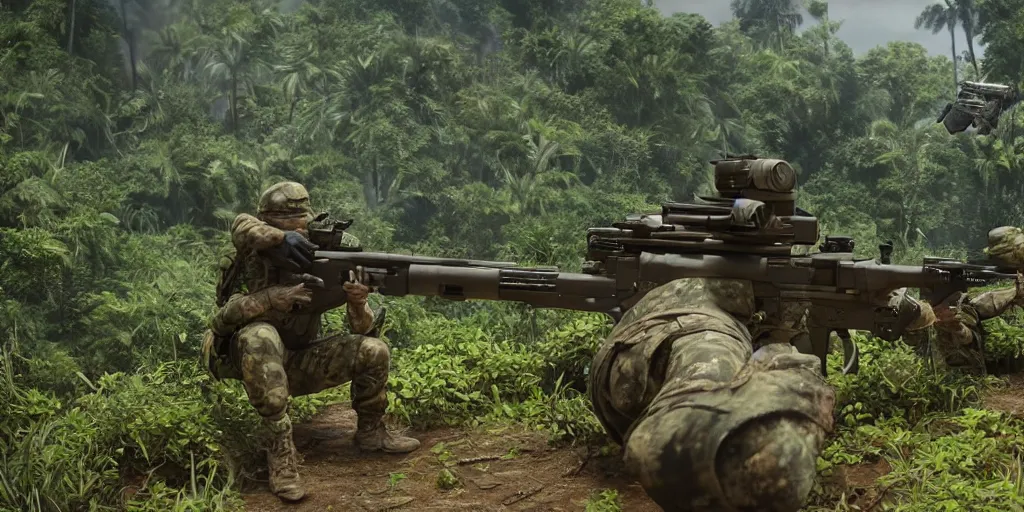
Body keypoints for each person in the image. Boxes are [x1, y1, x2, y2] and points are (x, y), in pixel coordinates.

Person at [200, 182, 420, 502]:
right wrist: (272, 297)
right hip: (246, 360)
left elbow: (364, 327)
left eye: (298, 227)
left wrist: (358, 302)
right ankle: (281, 458)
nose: (295, 236)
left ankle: (371, 432)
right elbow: (222, 320)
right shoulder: (248, 256)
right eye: (281, 229)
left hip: (298, 361)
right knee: (260, 336)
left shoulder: (327, 257)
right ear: (267, 224)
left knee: (374, 350)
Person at [587, 278, 835, 512]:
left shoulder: (713, 295)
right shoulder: (714, 338)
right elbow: (662, 450)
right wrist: (799, 384)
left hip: (623, 373)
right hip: (676, 345)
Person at [904, 276, 1024, 375]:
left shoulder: (963, 311)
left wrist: (957, 328)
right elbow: (911, 338)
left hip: (963, 375)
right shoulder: (922, 316)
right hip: (933, 376)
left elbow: (970, 336)